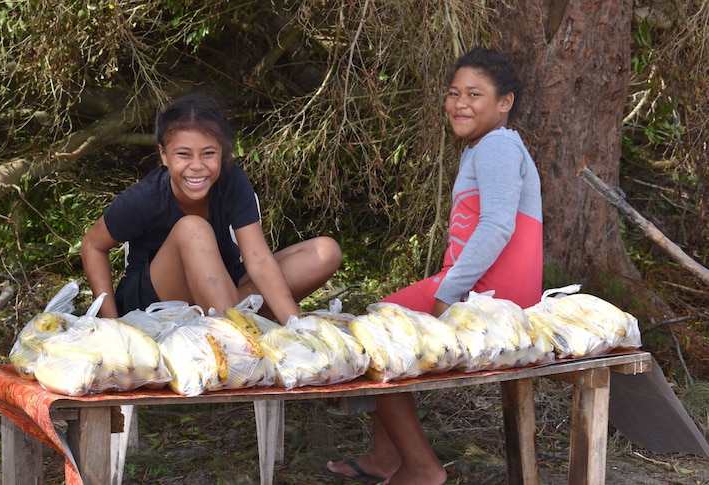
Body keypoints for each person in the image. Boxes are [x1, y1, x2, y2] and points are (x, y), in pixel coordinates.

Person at [325, 47, 543, 485]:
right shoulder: (484, 146)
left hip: (489, 294)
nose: (461, 103)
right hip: (479, 286)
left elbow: (498, 226)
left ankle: (422, 468)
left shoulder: (498, 146)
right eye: (454, 92)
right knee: (381, 322)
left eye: (475, 94)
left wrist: (447, 292)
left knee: (376, 335)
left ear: (505, 103)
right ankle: (388, 457)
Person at [81, 92, 342, 325]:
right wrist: (110, 325)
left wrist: (297, 328)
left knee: (325, 251)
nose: (197, 166)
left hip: (220, 289)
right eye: (184, 154)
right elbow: (93, 245)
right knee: (193, 228)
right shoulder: (146, 197)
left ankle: (231, 325)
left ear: (222, 153)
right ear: (163, 155)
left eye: (208, 153)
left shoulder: (233, 182)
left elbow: (259, 260)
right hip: (154, 306)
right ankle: (239, 337)